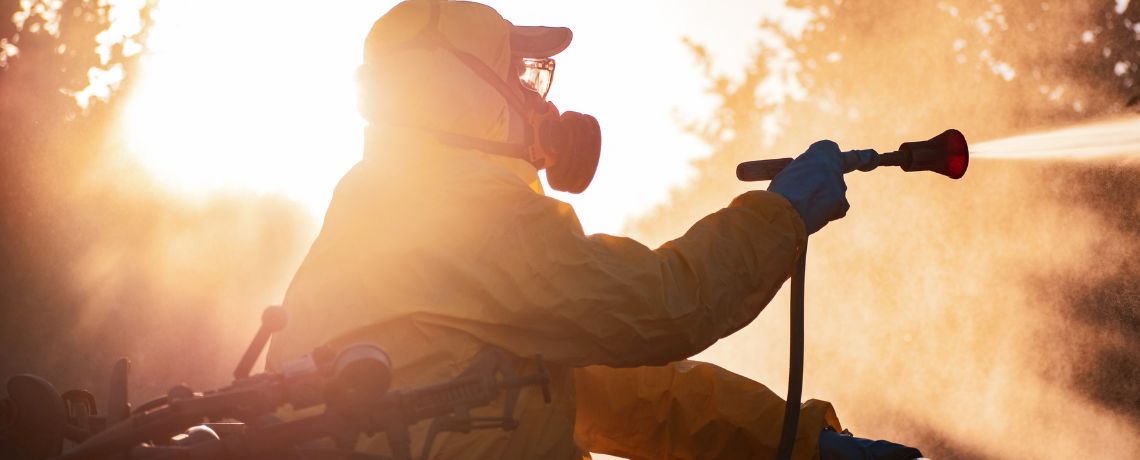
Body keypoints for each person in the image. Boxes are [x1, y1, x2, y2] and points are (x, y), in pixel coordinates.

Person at [267, 1, 922, 459]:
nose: (542, 99)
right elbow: (665, 306)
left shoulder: (373, 209)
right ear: (456, 88)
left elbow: (604, 390)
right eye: (521, 73)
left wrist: (803, 444)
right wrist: (781, 213)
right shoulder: (469, 215)